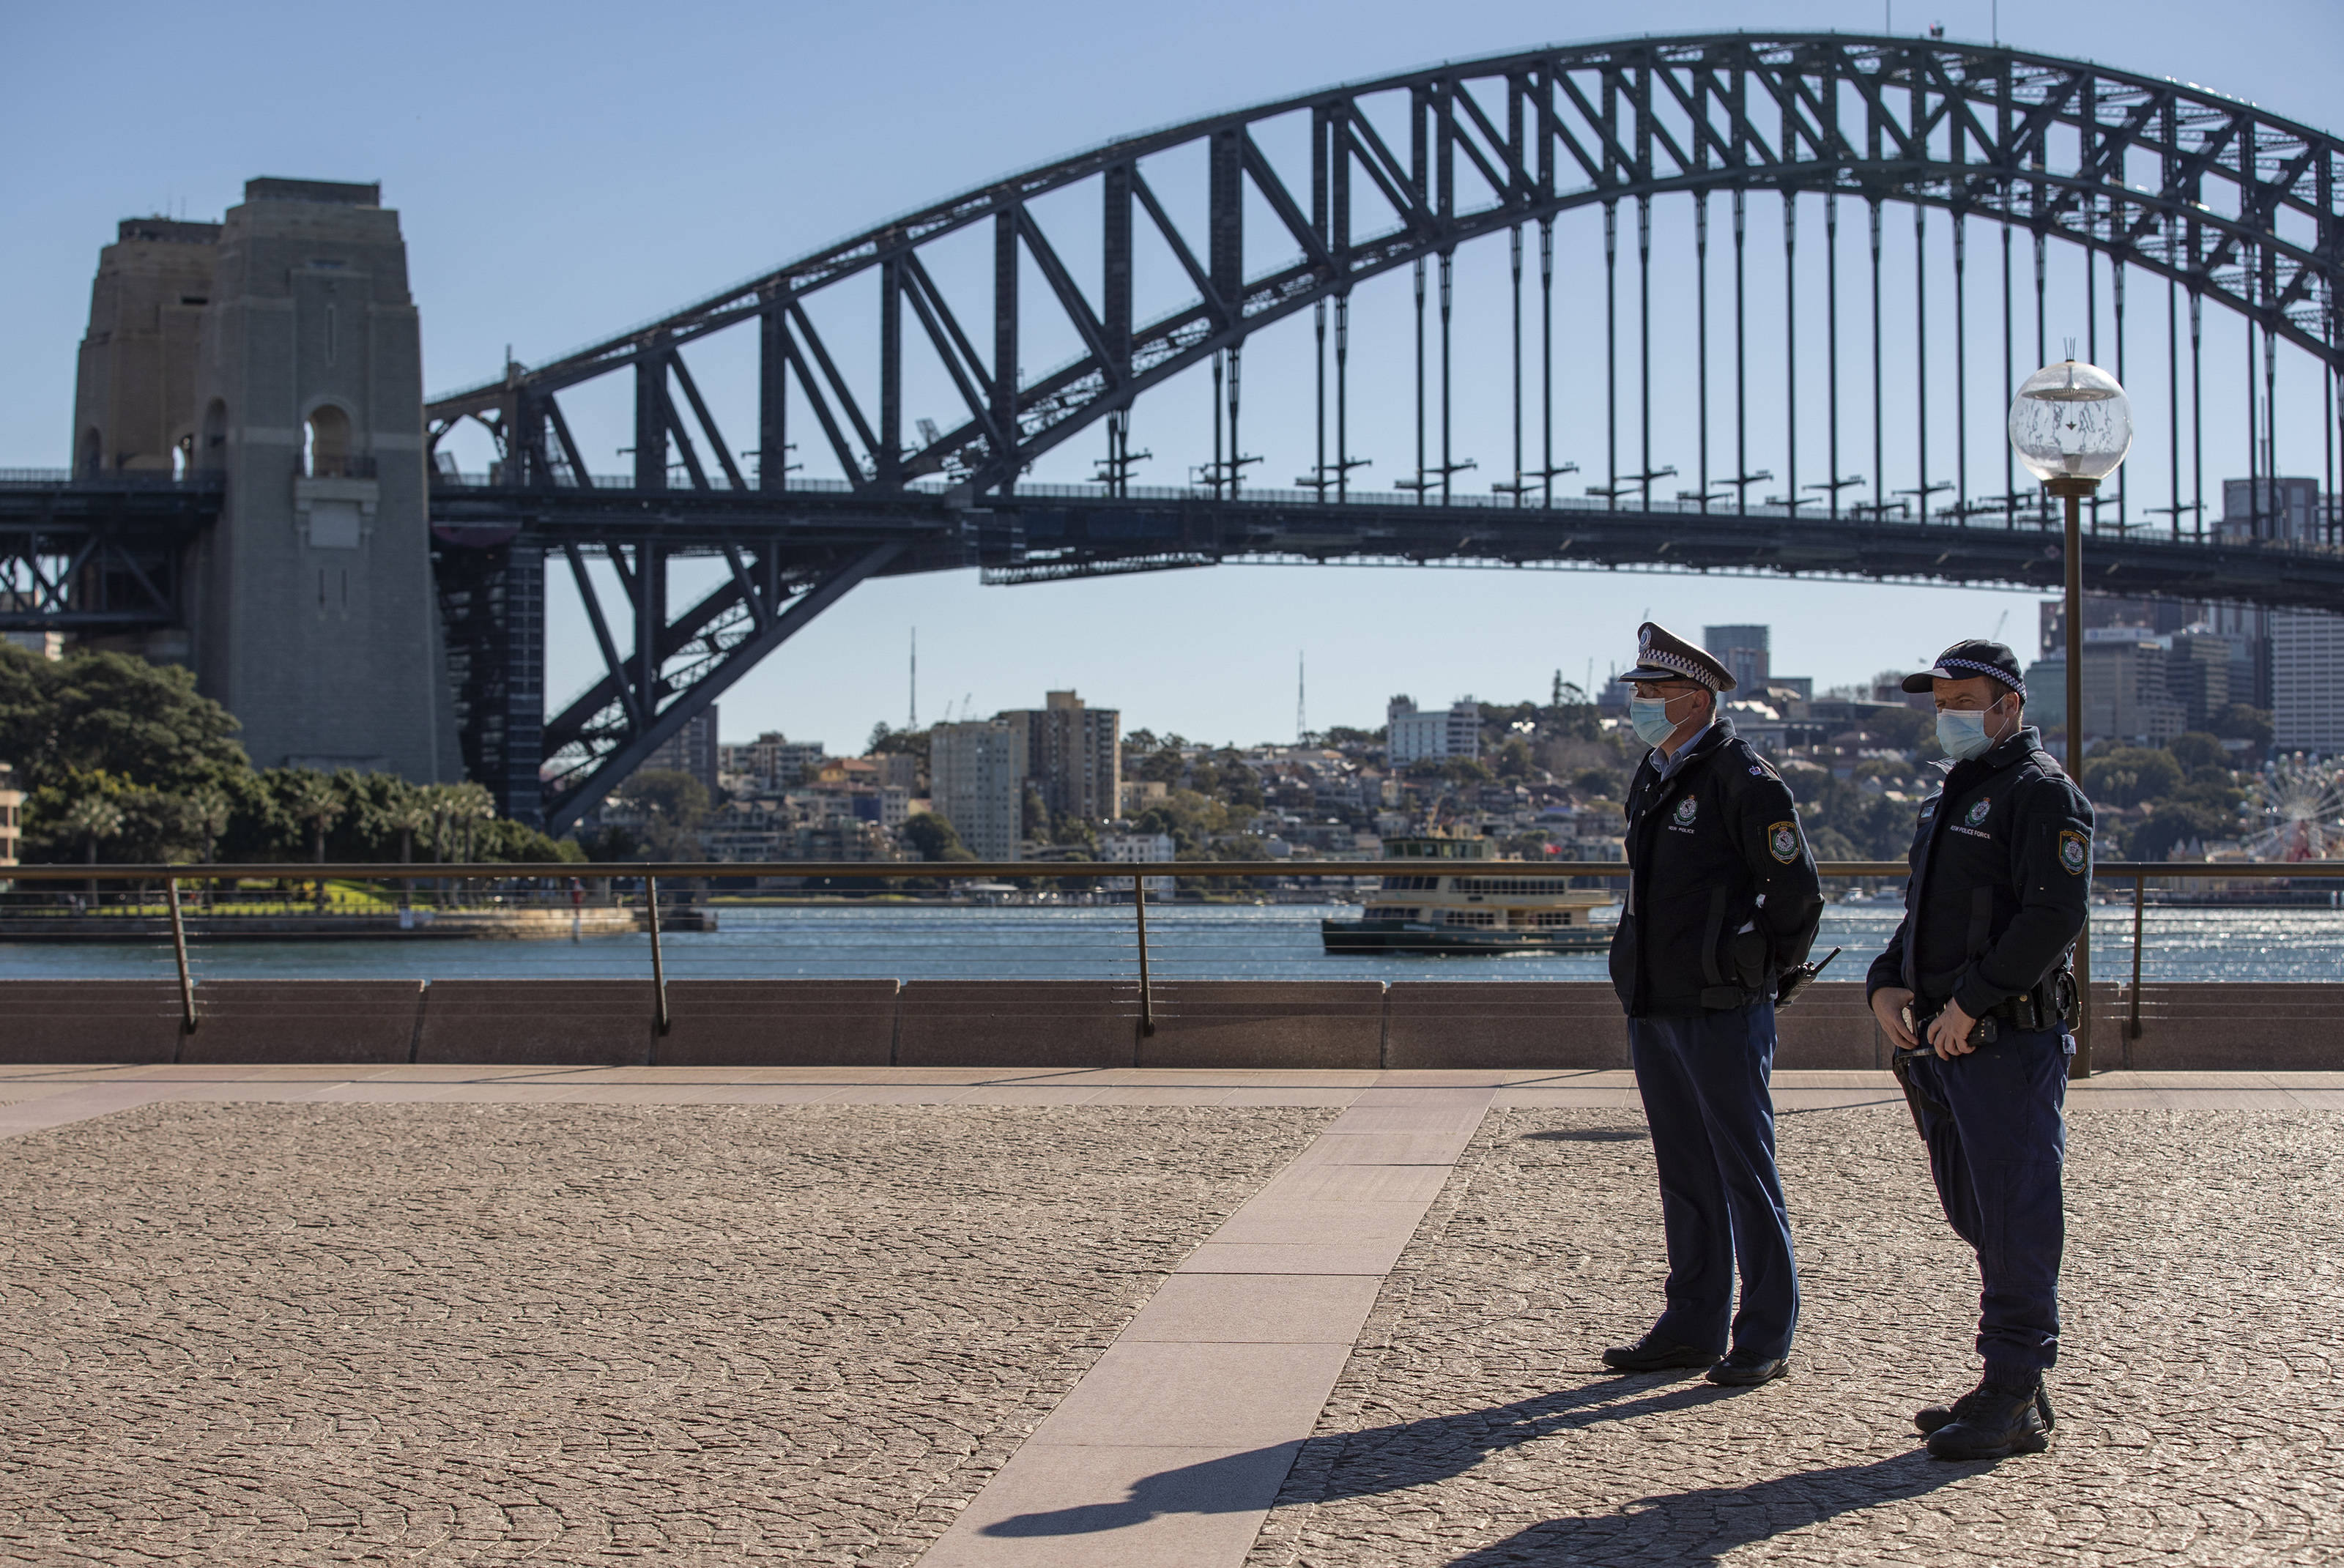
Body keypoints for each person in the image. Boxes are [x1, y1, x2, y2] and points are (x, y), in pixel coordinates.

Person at [1865, 639, 2093, 1462]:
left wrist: (1969, 1000)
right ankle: (2013, 1381)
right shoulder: (1948, 795)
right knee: (1975, 1211)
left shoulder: (2041, 794)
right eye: (1939, 700)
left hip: (2003, 1039)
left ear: (2008, 705)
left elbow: (2051, 916)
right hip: (1940, 1043)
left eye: (1963, 699)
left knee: (2015, 1212)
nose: (1947, 714)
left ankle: (2010, 1386)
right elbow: (1918, 914)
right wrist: (1885, 982)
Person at [1601, 622, 1824, 1388]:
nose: (1638, 704)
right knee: (1684, 1171)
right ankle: (1690, 1323)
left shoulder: (1744, 778)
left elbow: (1796, 894)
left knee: (1742, 1169)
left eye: (1650, 693)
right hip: (1656, 999)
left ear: (1694, 699)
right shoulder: (1655, 771)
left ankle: (1763, 1331)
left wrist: (1753, 970)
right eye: (1638, 693)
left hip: (1720, 1004)